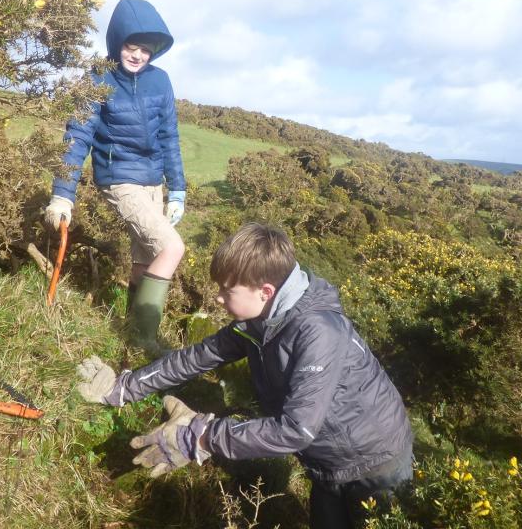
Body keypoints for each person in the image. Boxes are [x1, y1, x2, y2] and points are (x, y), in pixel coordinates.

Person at [75, 223, 414, 529]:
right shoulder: (260, 321)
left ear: (265, 291)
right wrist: (124, 387)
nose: (218, 299)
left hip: (376, 465)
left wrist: (202, 437)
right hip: (326, 465)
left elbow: (297, 429)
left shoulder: (318, 332)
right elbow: (198, 357)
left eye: (227, 290)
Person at [45, 0, 185, 356]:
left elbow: (170, 136)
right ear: (117, 42)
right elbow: (77, 137)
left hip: (153, 182)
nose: (138, 55)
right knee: (171, 247)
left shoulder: (161, 81)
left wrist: (178, 191)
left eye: (146, 50)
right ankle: (146, 341)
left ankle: (130, 335)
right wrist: (63, 194)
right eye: (130, 46)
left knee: (144, 260)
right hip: (118, 178)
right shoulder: (97, 78)